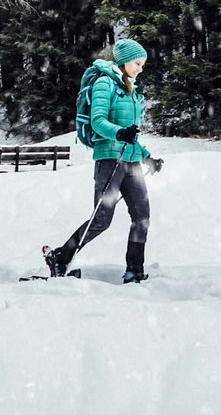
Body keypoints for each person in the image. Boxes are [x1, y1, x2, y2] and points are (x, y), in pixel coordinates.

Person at [43, 37, 161, 283]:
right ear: (126, 61)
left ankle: (134, 270)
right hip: (109, 159)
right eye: (138, 63)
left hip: (131, 162)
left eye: (143, 64)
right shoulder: (104, 83)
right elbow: (98, 121)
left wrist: (148, 157)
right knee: (102, 219)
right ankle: (60, 257)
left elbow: (131, 134)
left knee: (142, 216)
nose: (141, 68)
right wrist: (119, 133)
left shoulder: (131, 90)